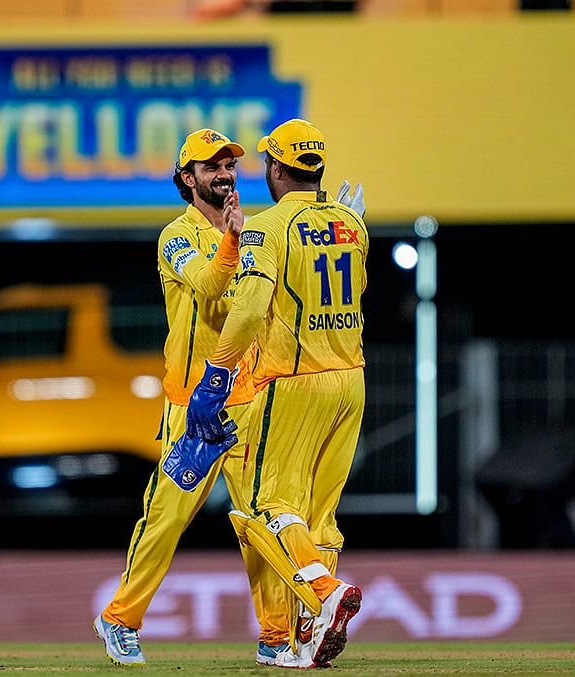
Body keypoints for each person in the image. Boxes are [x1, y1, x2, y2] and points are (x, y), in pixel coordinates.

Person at [94, 128, 296, 667]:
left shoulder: (256, 233)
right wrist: (234, 239)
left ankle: (276, 636)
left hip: (248, 398)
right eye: (211, 167)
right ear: (187, 179)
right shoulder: (174, 237)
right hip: (193, 405)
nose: (225, 174)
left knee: (259, 521)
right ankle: (119, 620)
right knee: (166, 517)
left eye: (229, 164)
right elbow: (209, 286)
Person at [185, 118, 367, 669]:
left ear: (277, 169)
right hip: (351, 378)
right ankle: (307, 633)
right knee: (319, 516)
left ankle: (323, 592)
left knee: (267, 508)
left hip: (292, 381)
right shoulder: (354, 224)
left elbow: (246, 310)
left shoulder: (264, 228)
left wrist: (216, 376)